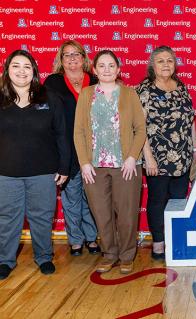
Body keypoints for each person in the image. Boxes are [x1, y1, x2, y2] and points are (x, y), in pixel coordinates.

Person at [74, 50, 146, 274]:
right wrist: (84, 163)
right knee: (101, 213)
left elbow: (140, 129)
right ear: (94, 70)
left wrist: (132, 157)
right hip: (94, 167)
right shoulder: (86, 95)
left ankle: (126, 255)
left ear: (118, 69)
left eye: (111, 65)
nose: (106, 70)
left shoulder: (129, 94)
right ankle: (109, 253)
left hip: (126, 166)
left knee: (126, 213)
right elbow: (78, 132)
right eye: (102, 66)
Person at [0, 50, 70, 279]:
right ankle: (5, 261)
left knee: (41, 216)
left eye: (27, 67)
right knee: (8, 217)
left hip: (43, 173)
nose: (21, 71)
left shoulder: (50, 98)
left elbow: (62, 134)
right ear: (7, 70)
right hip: (6, 173)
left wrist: (64, 166)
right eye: (16, 66)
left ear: (34, 72)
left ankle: (43, 257)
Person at [136, 46, 196, 260]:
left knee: (178, 199)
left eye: (170, 61)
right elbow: (139, 126)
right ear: (152, 65)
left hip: (182, 156)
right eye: (161, 60)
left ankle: (175, 241)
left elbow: (189, 119)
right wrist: (148, 156)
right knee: (157, 200)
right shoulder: (144, 90)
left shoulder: (181, 87)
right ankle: (158, 244)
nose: (166, 64)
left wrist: (195, 149)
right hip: (157, 157)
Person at [44, 40, 100, 256]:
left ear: (84, 58)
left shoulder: (95, 80)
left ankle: (91, 237)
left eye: (76, 54)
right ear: (61, 59)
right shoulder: (53, 83)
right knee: (71, 198)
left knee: (91, 198)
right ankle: (75, 240)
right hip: (66, 149)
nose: (72, 58)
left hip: (94, 149)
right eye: (67, 55)